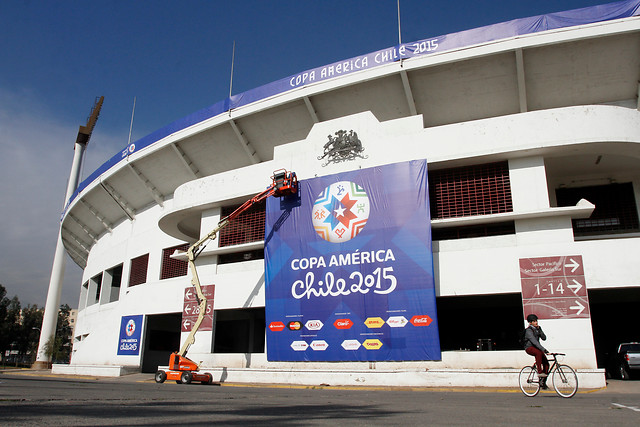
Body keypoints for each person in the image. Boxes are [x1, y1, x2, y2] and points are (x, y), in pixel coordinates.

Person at [523, 313, 550, 389]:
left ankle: (542, 382)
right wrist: (543, 349)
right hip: (529, 348)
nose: (536, 322)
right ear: (530, 322)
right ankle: (540, 372)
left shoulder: (537, 329)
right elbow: (534, 341)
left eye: (536, 321)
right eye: (534, 321)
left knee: (546, 363)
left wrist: (540, 330)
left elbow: (544, 338)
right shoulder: (529, 331)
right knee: (538, 353)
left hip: (537, 347)